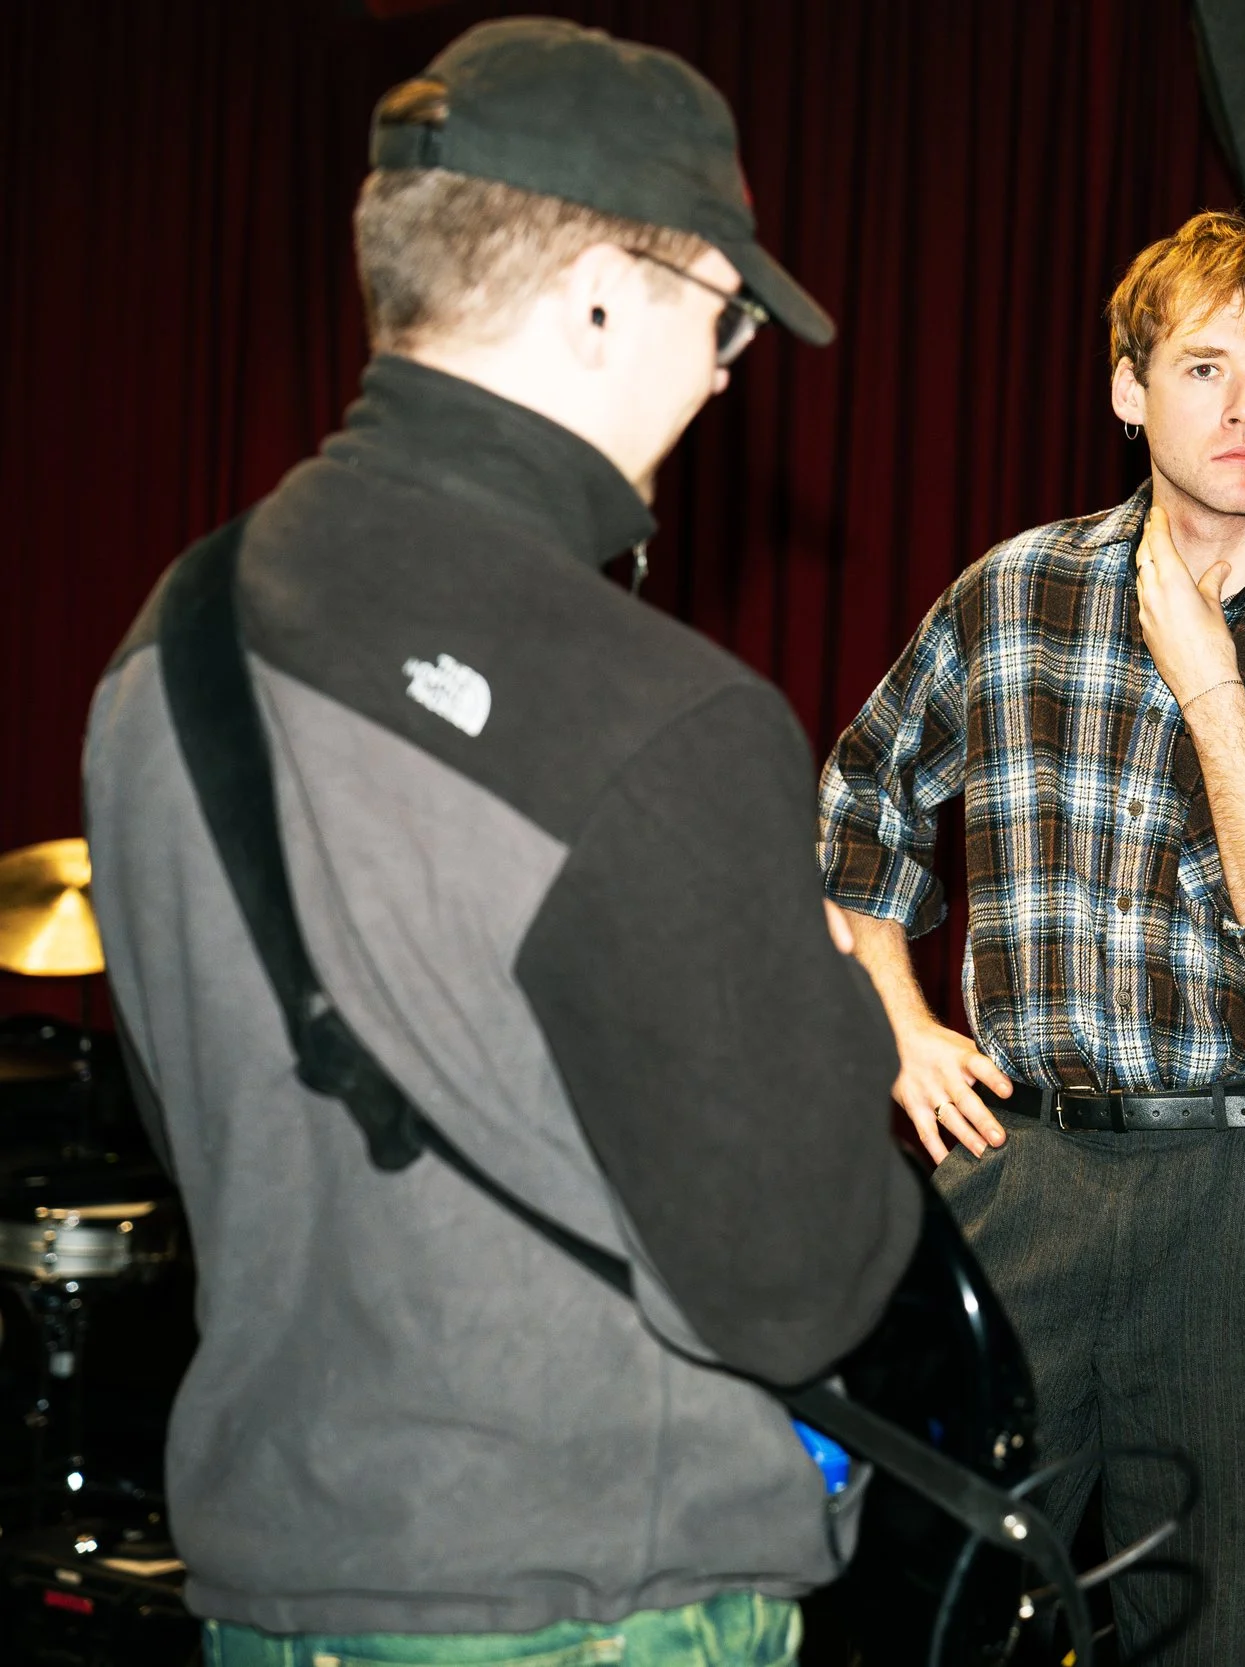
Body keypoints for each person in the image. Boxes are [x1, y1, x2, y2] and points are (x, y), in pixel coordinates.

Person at [83, 20, 916, 1666]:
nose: (731, 363)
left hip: (273, 1600)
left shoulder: (160, 646)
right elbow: (800, 1286)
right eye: (726, 308)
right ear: (606, 286)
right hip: (591, 1610)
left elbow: (212, 1135)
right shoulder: (661, 715)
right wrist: (835, 1018)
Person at [819, 209, 1245, 1663]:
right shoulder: (1014, 592)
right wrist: (905, 1027)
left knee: (1214, 1633)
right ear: (1126, 387)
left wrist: (1217, 693)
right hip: (1021, 1168)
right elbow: (859, 804)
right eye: (1207, 367)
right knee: (945, 1610)